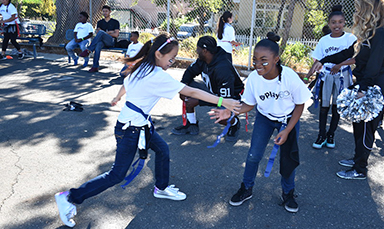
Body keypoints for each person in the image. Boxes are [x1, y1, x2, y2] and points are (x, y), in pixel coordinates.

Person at [54, 33, 241, 227]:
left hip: (139, 124)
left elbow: (126, 84)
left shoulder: (143, 66)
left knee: (162, 150)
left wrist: (118, 97)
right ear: (159, 54)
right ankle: (70, 197)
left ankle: (161, 187)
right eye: (171, 57)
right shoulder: (157, 75)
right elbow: (191, 91)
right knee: (116, 175)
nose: (173, 61)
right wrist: (222, 101)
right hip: (131, 129)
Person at [211, 32, 311, 212]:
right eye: (255, 59)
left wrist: (287, 130)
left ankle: (288, 193)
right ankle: (246, 188)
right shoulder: (254, 79)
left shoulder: (289, 77)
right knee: (253, 155)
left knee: (288, 159)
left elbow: (299, 105)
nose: (258, 64)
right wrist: (230, 111)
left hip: (288, 120)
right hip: (265, 118)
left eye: (263, 60)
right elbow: (248, 104)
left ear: (276, 59)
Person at [312, 0, 384, 180]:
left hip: (373, 89)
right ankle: (357, 158)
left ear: (369, 10)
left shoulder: (381, 33)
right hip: (363, 84)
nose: (356, 14)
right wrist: (324, 60)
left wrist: (364, 88)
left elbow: (375, 65)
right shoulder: (369, 33)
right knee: (358, 126)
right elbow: (348, 53)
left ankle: (361, 169)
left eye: (359, 9)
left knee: (368, 129)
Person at [171, 36, 244, 142]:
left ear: (205, 50)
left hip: (232, 97)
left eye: (198, 49)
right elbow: (190, 72)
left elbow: (225, 99)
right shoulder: (204, 59)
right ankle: (192, 124)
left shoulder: (223, 68)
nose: (196, 51)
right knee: (187, 89)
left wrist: (199, 100)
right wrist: (184, 87)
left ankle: (235, 123)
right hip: (215, 92)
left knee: (221, 116)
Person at [307, 5, 357, 149]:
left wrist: (340, 65)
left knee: (337, 106)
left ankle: (331, 134)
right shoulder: (324, 40)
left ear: (344, 23)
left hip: (342, 76)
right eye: (334, 22)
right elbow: (318, 60)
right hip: (327, 75)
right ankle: (321, 134)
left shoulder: (350, 38)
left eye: (340, 22)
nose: (337, 25)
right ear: (329, 24)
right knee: (324, 106)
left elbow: (356, 58)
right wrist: (309, 75)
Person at [79, 5, 120, 72]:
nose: (105, 13)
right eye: (103, 11)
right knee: (98, 45)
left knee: (101, 32)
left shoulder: (115, 22)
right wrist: (110, 32)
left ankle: (89, 50)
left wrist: (104, 33)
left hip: (111, 41)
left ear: (110, 12)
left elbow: (116, 34)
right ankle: (95, 66)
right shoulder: (100, 22)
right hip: (102, 42)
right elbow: (98, 34)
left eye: (106, 11)